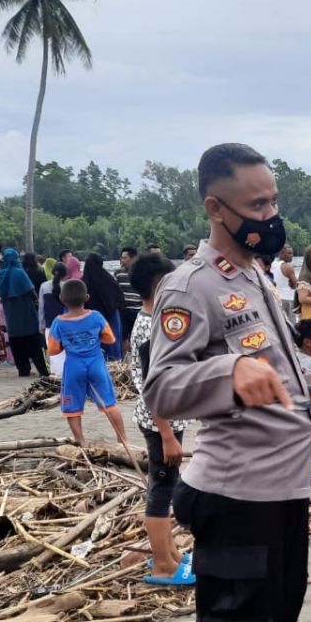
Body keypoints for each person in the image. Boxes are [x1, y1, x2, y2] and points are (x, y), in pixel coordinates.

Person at [144, 142, 311, 622]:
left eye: (274, 200)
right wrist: (227, 372)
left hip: (283, 485)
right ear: (216, 208)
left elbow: (276, 363)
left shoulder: (257, 274)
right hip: (236, 497)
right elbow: (161, 387)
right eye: (257, 204)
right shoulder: (192, 287)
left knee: (278, 612)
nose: (270, 215)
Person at [128, 252, 195, 587]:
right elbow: (153, 384)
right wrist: (166, 432)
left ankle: (171, 554)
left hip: (166, 417)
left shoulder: (154, 320)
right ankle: (163, 565)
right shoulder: (149, 326)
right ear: (159, 285)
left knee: (164, 486)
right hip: (159, 420)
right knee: (160, 491)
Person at [46, 279, 131, 448]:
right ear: (87, 298)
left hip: (73, 367)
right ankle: (123, 440)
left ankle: (81, 442)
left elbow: (53, 350)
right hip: (96, 364)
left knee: (72, 407)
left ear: (62, 299)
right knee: (109, 403)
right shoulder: (96, 316)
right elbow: (110, 338)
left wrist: (68, 343)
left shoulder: (59, 322)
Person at [0, 248, 48, 377]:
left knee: (16, 343)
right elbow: (31, 291)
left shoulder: (1, 274)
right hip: (26, 311)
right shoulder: (19, 272)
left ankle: (23, 370)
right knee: (34, 342)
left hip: (10, 313)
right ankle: (42, 370)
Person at [82, 253, 126, 361]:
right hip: (111, 317)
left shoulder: (83, 282)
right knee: (112, 345)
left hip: (90, 319)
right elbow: (120, 298)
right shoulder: (108, 279)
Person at [115, 246, 143, 344]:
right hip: (124, 311)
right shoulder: (118, 274)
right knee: (124, 337)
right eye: (121, 258)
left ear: (133, 258)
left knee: (137, 336)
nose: (122, 260)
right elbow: (116, 292)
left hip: (138, 311)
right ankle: (126, 358)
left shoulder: (141, 274)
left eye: (124, 258)